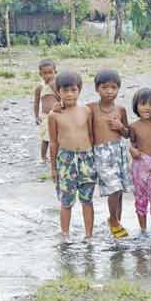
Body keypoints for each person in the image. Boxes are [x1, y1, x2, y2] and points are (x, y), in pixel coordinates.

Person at [47, 71, 96, 243]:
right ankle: (65, 234)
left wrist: (94, 160)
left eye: (73, 90)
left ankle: (89, 235)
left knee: (87, 199)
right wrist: (53, 167)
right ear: (58, 91)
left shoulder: (86, 111)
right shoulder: (54, 115)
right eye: (65, 90)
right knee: (66, 200)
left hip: (86, 158)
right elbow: (53, 143)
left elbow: (91, 136)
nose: (69, 94)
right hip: (65, 160)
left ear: (79, 90)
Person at [87, 69, 133, 239]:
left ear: (118, 89)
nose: (109, 91)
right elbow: (76, 116)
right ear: (97, 89)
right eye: (104, 87)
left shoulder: (120, 110)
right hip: (101, 153)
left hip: (119, 152)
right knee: (113, 188)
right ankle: (112, 220)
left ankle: (117, 222)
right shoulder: (90, 108)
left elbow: (128, 134)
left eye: (113, 87)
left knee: (119, 190)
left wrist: (120, 128)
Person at [129, 88, 151, 235]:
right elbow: (132, 144)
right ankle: (142, 229)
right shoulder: (134, 126)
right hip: (138, 166)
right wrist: (131, 150)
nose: (147, 108)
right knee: (140, 198)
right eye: (143, 104)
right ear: (136, 106)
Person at [34, 59, 59, 164]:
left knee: (57, 137)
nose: (48, 75)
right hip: (45, 116)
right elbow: (36, 102)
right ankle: (43, 157)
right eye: (45, 73)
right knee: (45, 138)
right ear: (40, 74)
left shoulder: (57, 84)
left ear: (55, 72)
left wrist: (53, 86)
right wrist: (36, 116)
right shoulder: (40, 87)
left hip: (57, 115)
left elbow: (61, 97)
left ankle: (57, 156)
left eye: (50, 72)